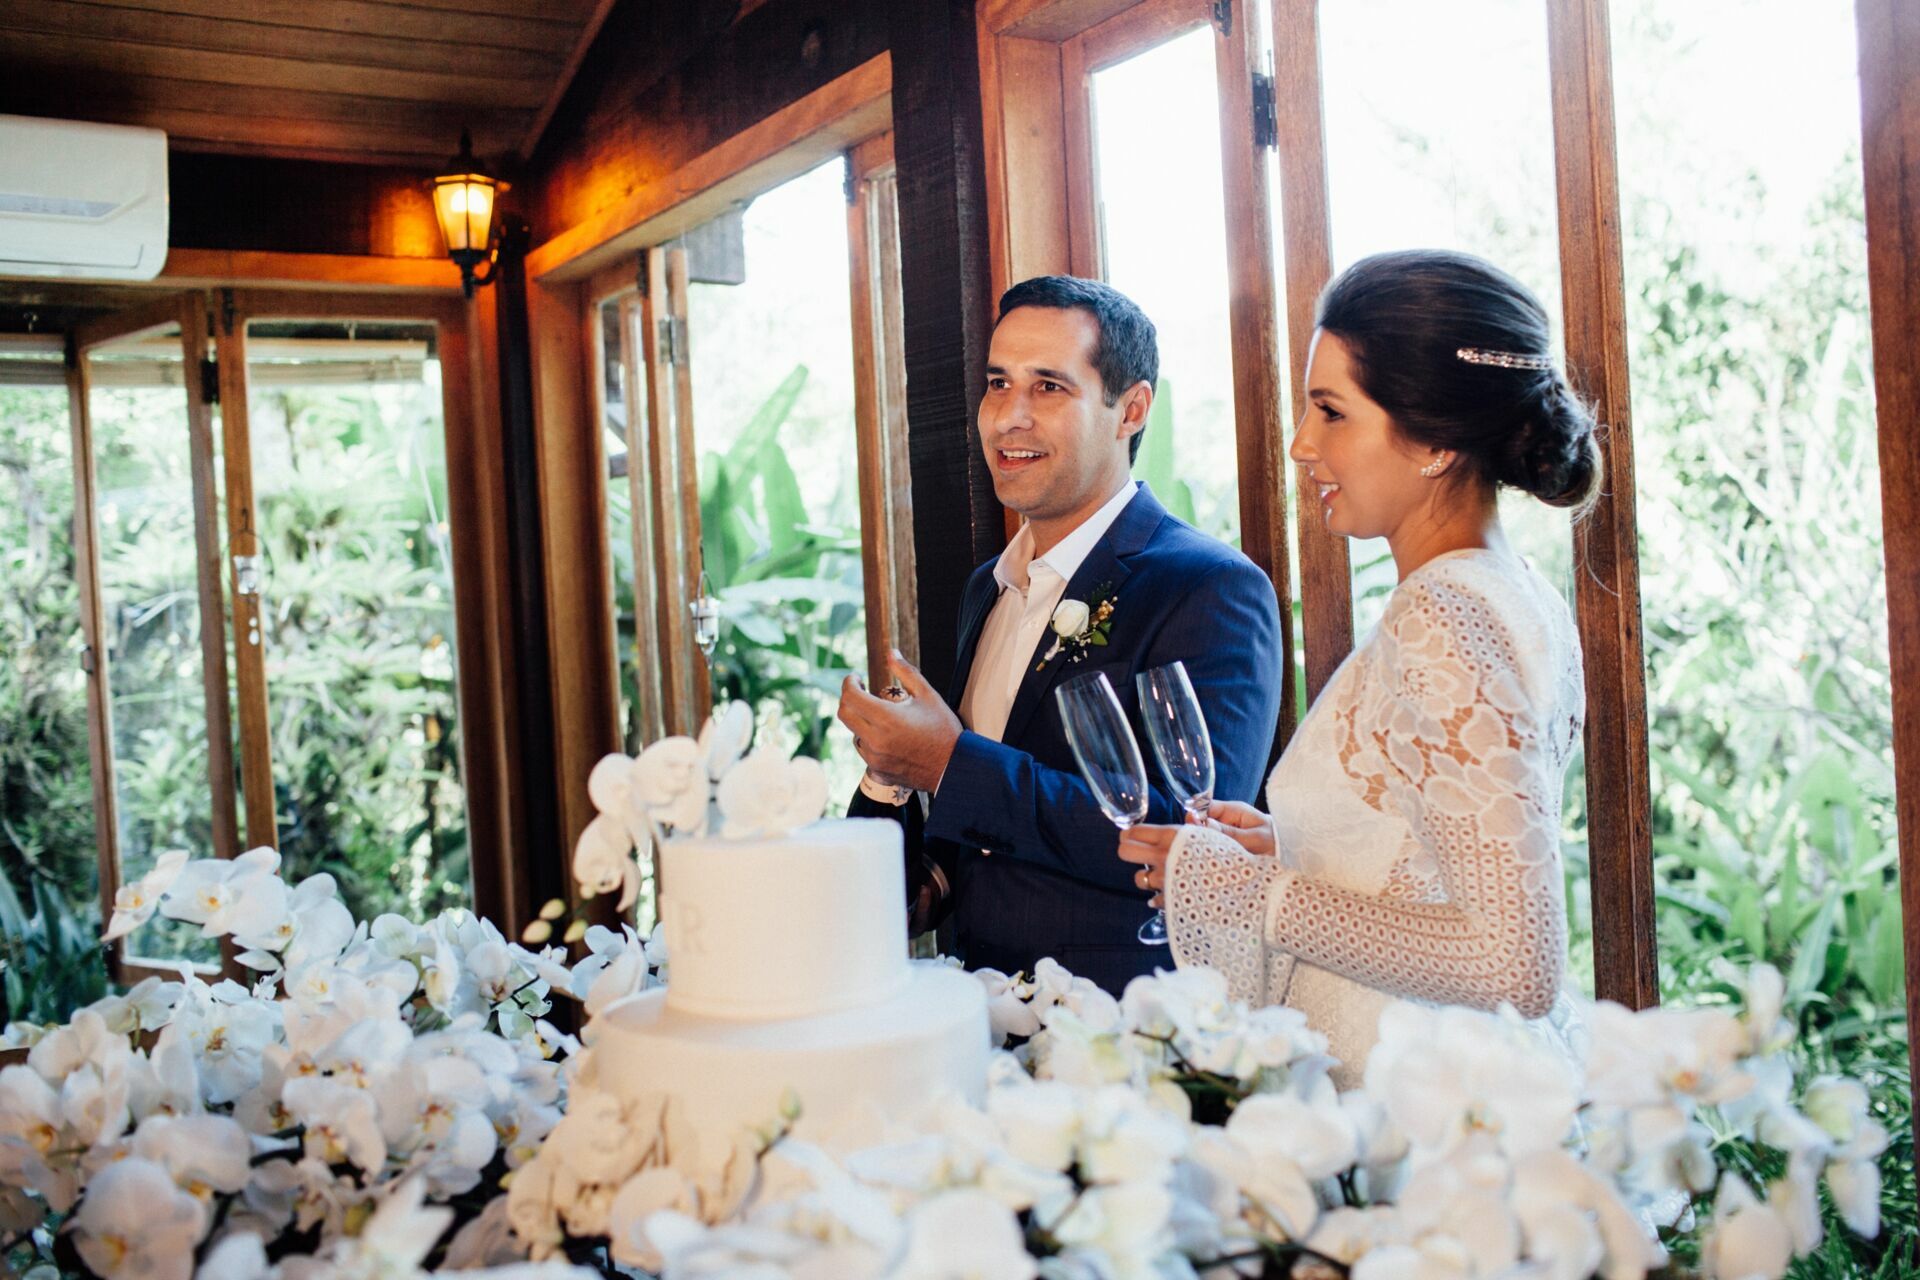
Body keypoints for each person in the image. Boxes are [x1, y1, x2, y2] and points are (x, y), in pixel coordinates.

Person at [1118, 249, 1597, 1081]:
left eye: (1331, 412)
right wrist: (1293, 847)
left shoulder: (1442, 615)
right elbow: (1437, 861)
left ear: (1435, 443)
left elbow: (1512, 964)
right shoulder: (1519, 593)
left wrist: (1249, 896)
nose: (1302, 445)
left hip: (1406, 1102)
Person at [837, 275, 1284, 996]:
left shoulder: (1209, 587)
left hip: (1124, 1020)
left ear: (1130, 409)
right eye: (997, 383)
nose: (1009, 417)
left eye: (1049, 387)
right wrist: (894, 783)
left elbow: (1194, 841)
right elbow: (980, 838)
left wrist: (948, 763)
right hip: (977, 1013)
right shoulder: (987, 588)